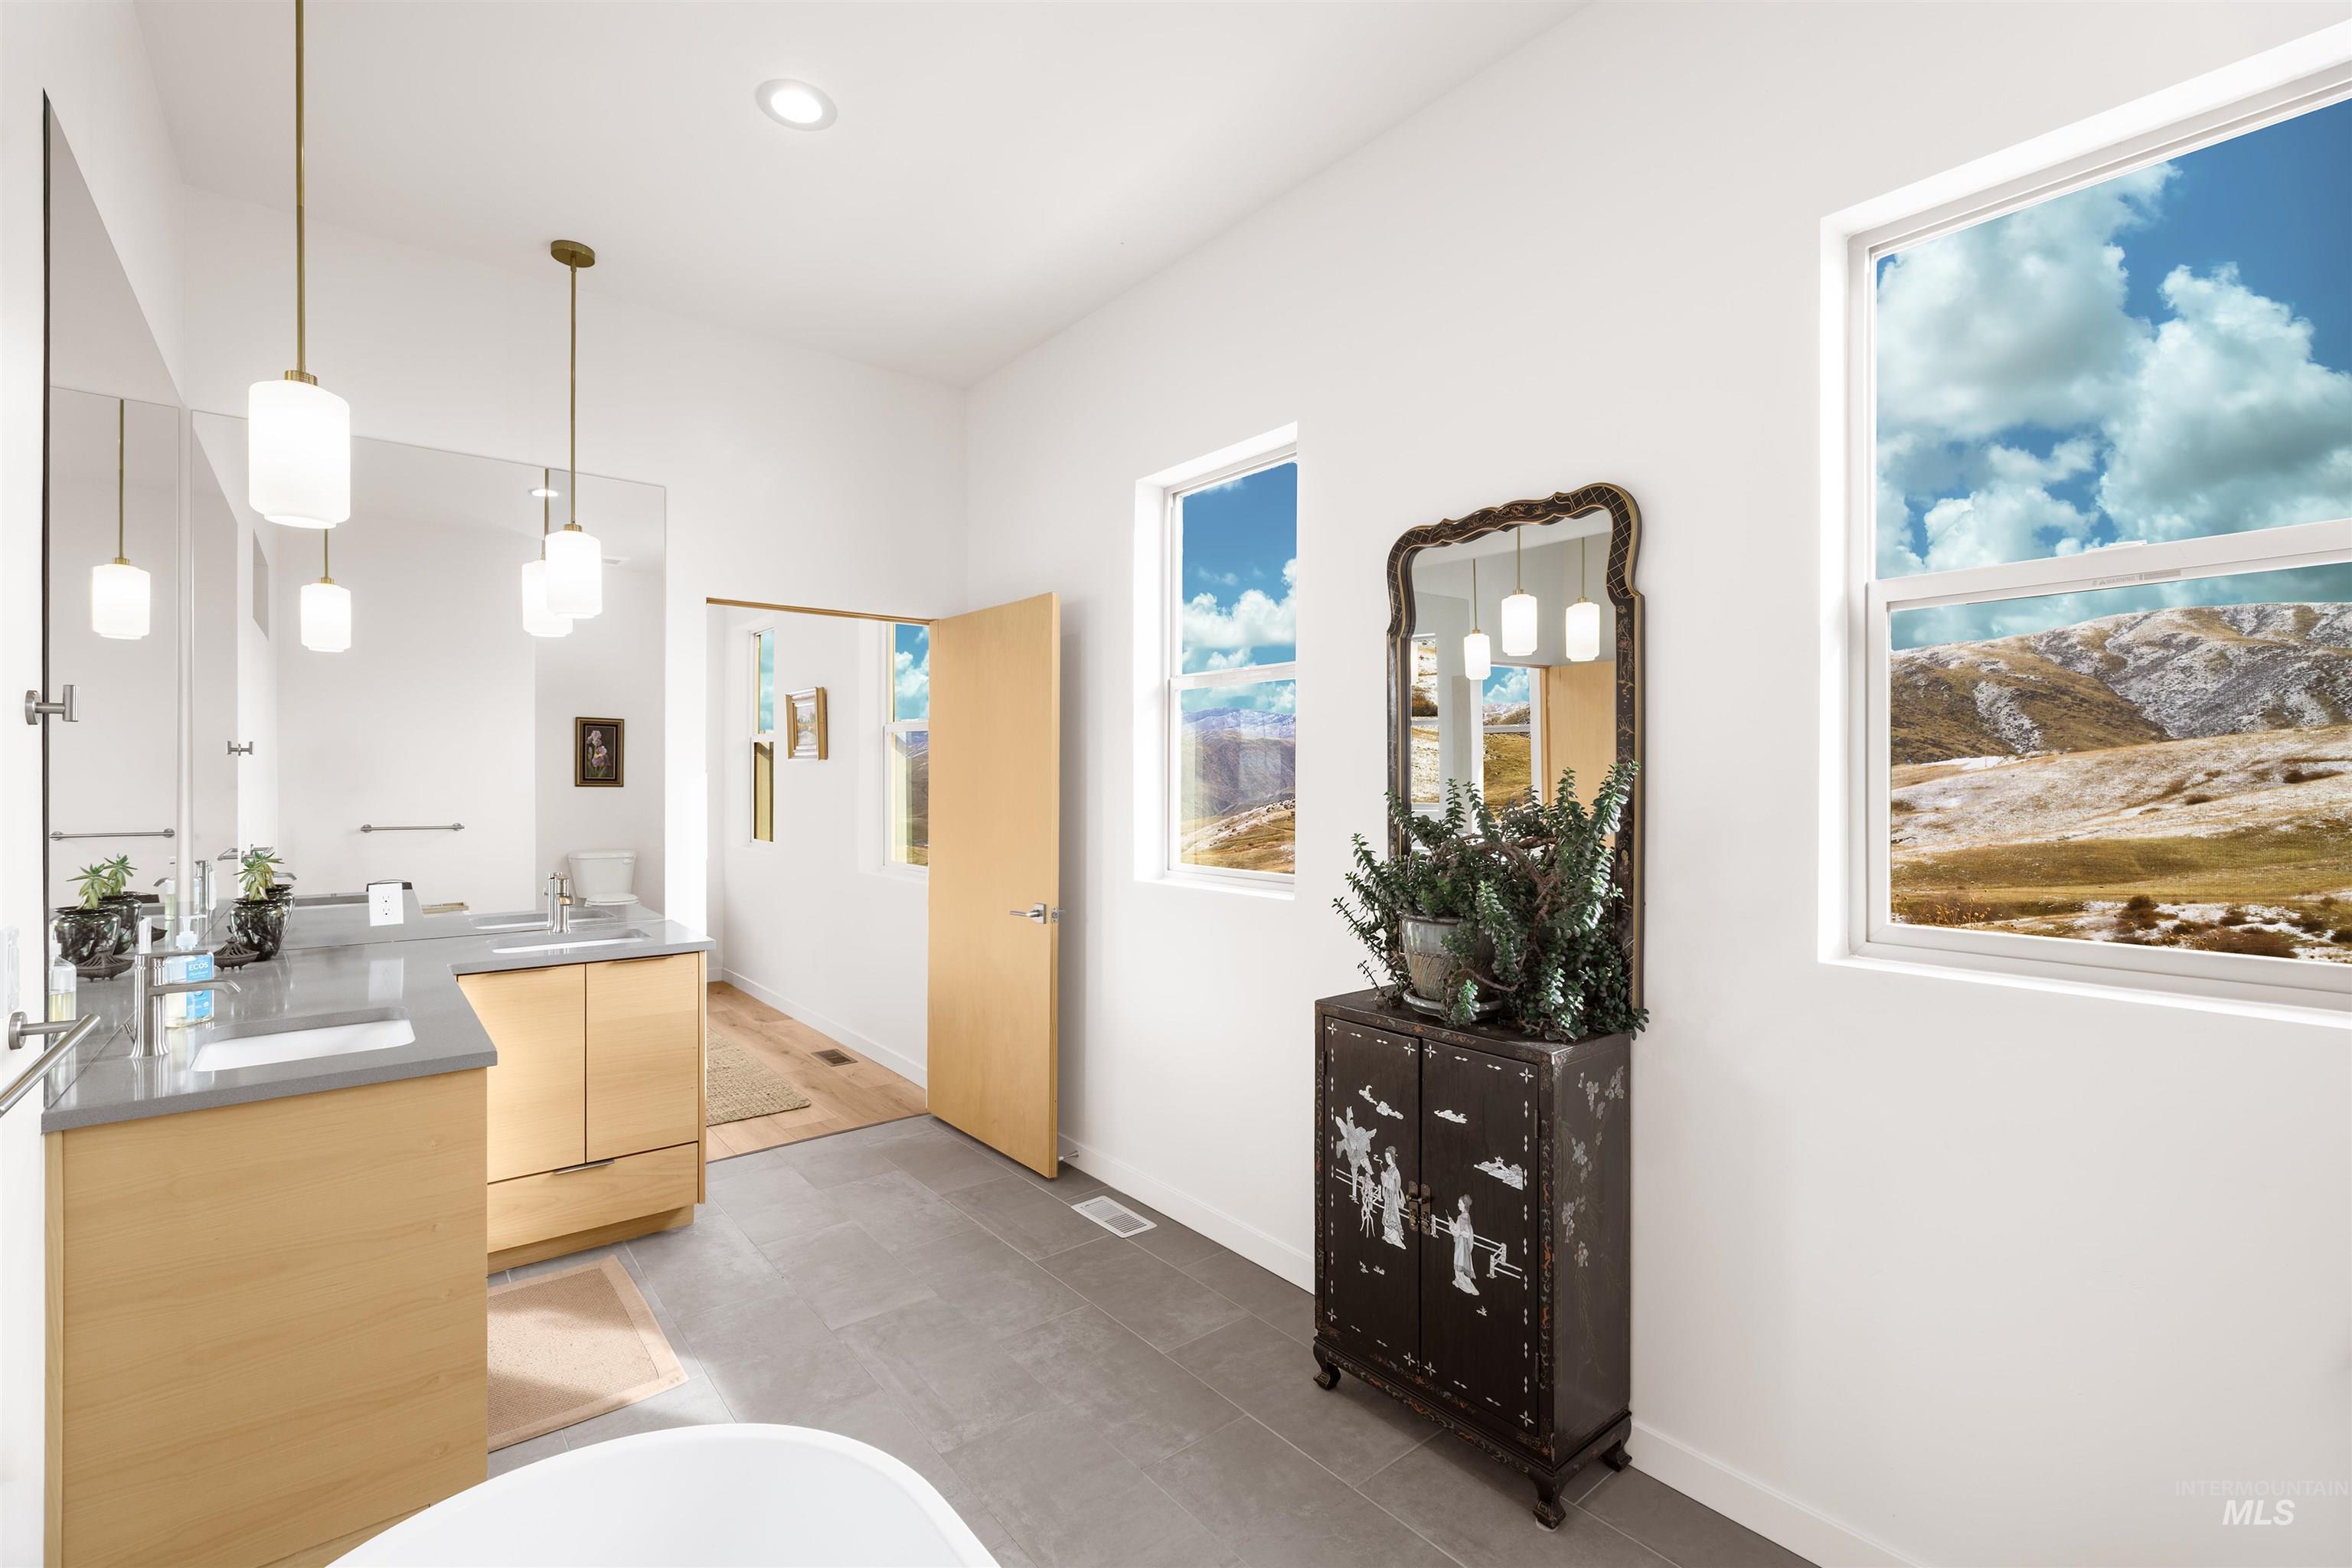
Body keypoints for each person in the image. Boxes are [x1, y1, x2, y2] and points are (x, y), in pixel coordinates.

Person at [1449, 1195, 1480, 1295]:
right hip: (1465, 1244)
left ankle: (1463, 1284)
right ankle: (1464, 1283)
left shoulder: (1461, 1217)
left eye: (1460, 1203)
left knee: (1459, 1262)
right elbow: (1465, 1231)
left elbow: (1457, 1233)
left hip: (1461, 1245)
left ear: (1464, 1205)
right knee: (1464, 1262)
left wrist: (1451, 1225)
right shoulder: (1467, 1216)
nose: (1458, 1204)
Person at [1379, 1148, 1406, 1248]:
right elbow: (1385, 1182)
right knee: (1387, 1215)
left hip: (1393, 1198)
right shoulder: (1389, 1169)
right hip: (1388, 1197)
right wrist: (1384, 1177)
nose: (1387, 1159)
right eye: (1386, 1157)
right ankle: (1388, 1236)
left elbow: (1396, 1186)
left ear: (1393, 1157)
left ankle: (1396, 1239)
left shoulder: (1396, 1171)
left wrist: (1387, 1178)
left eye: (1389, 1157)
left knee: (1393, 1216)